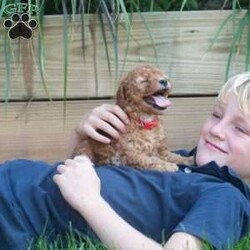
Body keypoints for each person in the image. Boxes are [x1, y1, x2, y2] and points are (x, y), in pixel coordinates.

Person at [0, 72, 250, 250]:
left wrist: (90, 202)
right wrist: (81, 136)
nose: (218, 130)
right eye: (216, 114)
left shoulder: (226, 196)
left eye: (241, 129)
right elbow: (76, 177)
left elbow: (81, 193)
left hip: (17, 213)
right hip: (16, 183)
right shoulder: (183, 164)